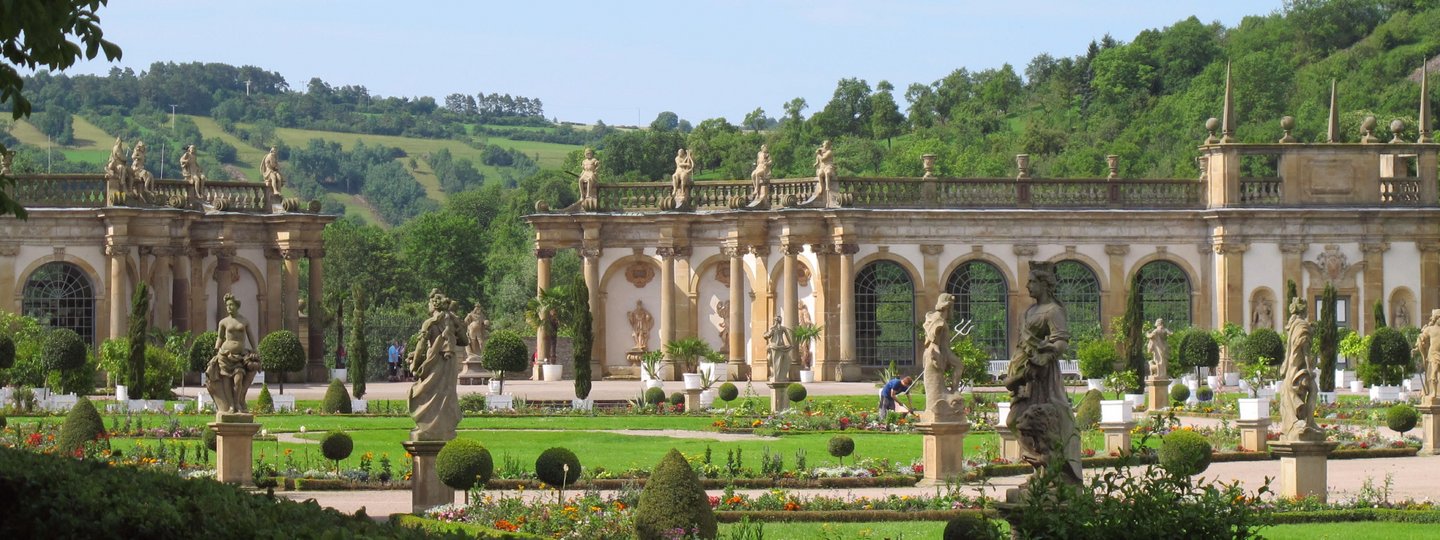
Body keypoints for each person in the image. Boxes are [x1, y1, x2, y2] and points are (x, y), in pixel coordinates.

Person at [1003, 261, 1082, 485]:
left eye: (1031, 282)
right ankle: (1041, 470)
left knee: (1035, 422)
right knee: (1017, 421)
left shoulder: (1053, 311)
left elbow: (1061, 340)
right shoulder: (1029, 311)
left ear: (1044, 284)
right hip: (1024, 374)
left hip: (1041, 375)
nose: (1027, 286)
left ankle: (1052, 472)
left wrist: (1047, 356)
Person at [408, 290, 467, 441]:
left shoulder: (430, 323)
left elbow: (421, 346)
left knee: (425, 392)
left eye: (429, 303)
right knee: (446, 393)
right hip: (449, 362)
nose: (427, 305)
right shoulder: (452, 323)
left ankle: (428, 427)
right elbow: (465, 342)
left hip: (434, 362)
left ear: (434, 305)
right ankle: (444, 428)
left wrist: (415, 366)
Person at [205, 293, 260, 416]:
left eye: (231, 305)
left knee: (238, 380)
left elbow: (250, 336)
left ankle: (237, 403)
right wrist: (216, 348)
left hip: (239, 355)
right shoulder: (223, 322)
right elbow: (220, 337)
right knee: (226, 381)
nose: (228, 307)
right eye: (227, 305)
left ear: (236, 305)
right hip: (225, 354)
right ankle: (230, 406)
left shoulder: (244, 321)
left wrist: (255, 349)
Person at [1279, 297, 1324, 441]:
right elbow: (1305, 350)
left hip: (1292, 367)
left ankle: (1302, 422)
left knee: (1297, 391)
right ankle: (1309, 422)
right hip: (1299, 367)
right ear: (1304, 310)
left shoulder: (1294, 325)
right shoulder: (1302, 326)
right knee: (1313, 389)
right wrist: (1310, 368)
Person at [922, 293, 964, 407]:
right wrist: (938, 355)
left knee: (958, 365)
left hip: (940, 351)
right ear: (948, 307)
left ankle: (953, 390)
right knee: (959, 365)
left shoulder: (935, 318)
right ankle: (955, 390)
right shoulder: (939, 320)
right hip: (943, 351)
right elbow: (933, 340)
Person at [1417, 309, 1440, 404]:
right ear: (1436, 318)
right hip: (1434, 354)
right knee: (1433, 373)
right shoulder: (1429, 329)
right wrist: (1417, 346)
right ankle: (1434, 393)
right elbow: (1421, 338)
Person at [764, 315, 794, 383]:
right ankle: (779, 376)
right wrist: (791, 344)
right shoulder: (783, 328)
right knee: (779, 361)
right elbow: (788, 336)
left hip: (774, 346)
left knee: (774, 362)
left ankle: (776, 376)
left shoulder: (773, 328)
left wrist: (764, 335)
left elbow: (768, 335)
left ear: (775, 321)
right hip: (781, 345)